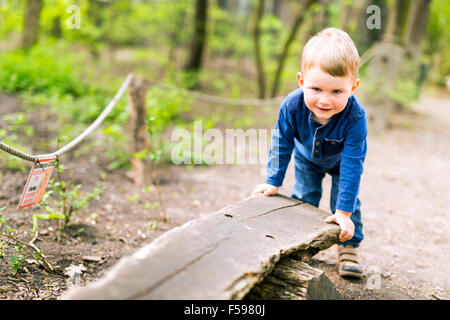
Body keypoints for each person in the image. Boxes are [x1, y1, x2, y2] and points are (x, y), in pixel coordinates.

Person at [252, 28, 368, 278]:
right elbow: (281, 141)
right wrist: (273, 180)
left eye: (337, 92)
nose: (325, 100)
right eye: (316, 89)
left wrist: (344, 213)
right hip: (307, 158)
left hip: (341, 163)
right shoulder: (292, 107)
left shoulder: (356, 117)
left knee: (347, 203)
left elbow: (353, 162)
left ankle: (348, 246)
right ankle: (301, 244)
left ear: (353, 87)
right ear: (301, 80)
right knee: (305, 197)